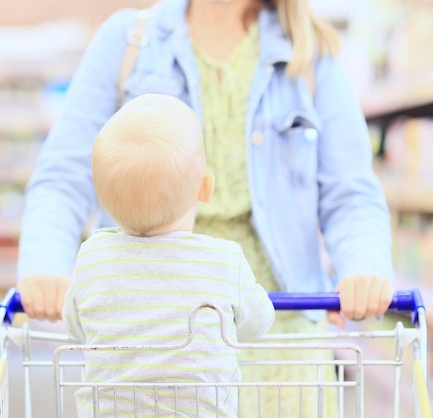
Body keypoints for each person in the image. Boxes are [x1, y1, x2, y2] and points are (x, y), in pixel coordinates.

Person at [17, 0, 395, 415]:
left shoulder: (308, 50)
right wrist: (46, 265)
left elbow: (350, 192)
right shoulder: (128, 41)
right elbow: (64, 176)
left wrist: (363, 267)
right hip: (156, 350)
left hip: (284, 350)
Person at [61, 93, 275, 417]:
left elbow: (76, 326)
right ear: (205, 188)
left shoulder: (93, 258)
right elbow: (259, 323)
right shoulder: (224, 261)